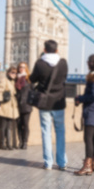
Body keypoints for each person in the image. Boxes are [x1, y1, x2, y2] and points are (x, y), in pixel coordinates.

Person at [29, 40, 68, 170]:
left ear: (44, 50)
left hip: (44, 103)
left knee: (46, 132)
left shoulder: (40, 64)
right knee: (60, 132)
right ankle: (62, 162)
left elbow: (32, 79)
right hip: (58, 102)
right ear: (57, 50)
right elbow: (64, 78)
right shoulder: (63, 63)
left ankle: (48, 162)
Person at [0, 66, 19, 150]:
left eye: (15, 73)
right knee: (3, 126)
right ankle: (2, 143)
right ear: (8, 73)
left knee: (9, 126)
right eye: (12, 72)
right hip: (4, 106)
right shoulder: (4, 80)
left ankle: (9, 144)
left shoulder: (14, 82)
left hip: (12, 107)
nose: (14, 74)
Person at [14, 61, 32, 149]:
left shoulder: (29, 79)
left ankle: (25, 142)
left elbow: (33, 92)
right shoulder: (15, 79)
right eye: (20, 67)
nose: (22, 68)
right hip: (17, 105)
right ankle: (20, 141)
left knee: (25, 124)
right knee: (18, 124)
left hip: (26, 105)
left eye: (24, 67)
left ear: (26, 69)